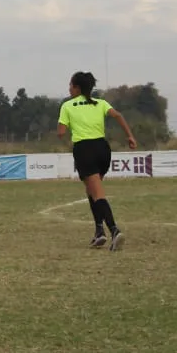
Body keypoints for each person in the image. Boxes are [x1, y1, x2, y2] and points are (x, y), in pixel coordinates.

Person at [57, 71, 137, 252]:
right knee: (92, 190)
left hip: (84, 150)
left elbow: (61, 132)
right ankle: (99, 232)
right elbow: (118, 116)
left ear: (77, 88)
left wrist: (66, 129)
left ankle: (114, 230)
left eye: (71, 85)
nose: (69, 88)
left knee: (98, 193)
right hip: (103, 149)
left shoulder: (67, 106)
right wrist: (130, 136)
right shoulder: (100, 103)